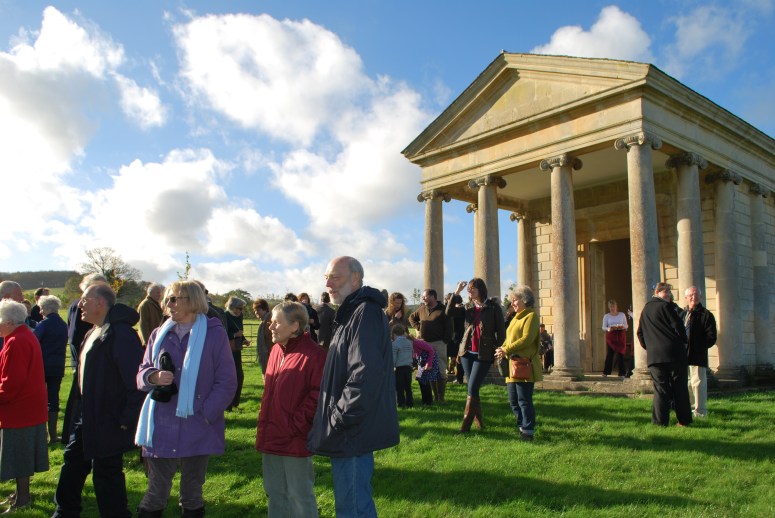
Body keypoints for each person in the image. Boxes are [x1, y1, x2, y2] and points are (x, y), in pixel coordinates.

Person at [307, 256, 399, 518]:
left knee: (353, 508)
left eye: (334, 277)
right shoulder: (351, 312)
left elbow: (365, 374)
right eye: (326, 278)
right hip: (350, 428)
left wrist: (339, 416)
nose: (328, 283)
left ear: (356, 278)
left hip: (352, 430)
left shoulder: (365, 313)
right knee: (351, 504)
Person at [135, 281, 237, 517]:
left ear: (192, 301)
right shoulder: (158, 334)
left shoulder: (214, 334)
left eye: (173, 299)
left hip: (198, 424)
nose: (167, 304)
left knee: (192, 492)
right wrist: (153, 376)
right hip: (161, 422)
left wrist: (206, 414)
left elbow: (226, 381)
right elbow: (142, 371)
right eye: (166, 299)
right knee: (156, 490)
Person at [52, 282, 145, 518]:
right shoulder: (92, 332)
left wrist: (126, 419)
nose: (80, 305)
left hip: (110, 418)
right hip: (87, 415)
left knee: (107, 472)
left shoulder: (121, 334)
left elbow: (135, 382)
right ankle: (65, 511)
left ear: (100, 302)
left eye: (85, 299)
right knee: (72, 462)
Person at [256, 301, 326, 517]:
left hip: (294, 439)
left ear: (295, 326)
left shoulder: (315, 355)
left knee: (299, 495)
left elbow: (318, 396)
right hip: (271, 436)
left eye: (276, 322)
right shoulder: (276, 350)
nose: (270, 327)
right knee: (275, 493)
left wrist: (293, 426)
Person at [0, 300, 49, 512]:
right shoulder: (22, 335)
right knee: (22, 455)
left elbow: (13, 382)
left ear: (9, 321)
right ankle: (19, 494)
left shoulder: (16, 341)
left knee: (20, 456)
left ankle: (23, 499)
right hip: (28, 407)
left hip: (20, 409)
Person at [447, 278, 506, 433]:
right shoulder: (468, 307)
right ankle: (480, 425)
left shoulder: (493, 308)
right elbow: (449, 312)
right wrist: (456, 292)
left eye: (473, 288)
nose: (470, 291)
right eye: (469, 289)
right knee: (473, 389)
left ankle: (465, 427)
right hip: (466, 352)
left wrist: (497, 352)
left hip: (484, 353)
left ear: (481, 289)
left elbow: (501, 332)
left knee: (472, 387)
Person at [637, 282, 692, 427]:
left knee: (660, 389)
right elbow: (678, 326)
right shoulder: (666, 307)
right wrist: (684, 341)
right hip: (674, 353)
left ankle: (660, 422)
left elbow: (640, 333)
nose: (667, 293)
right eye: (664, 291)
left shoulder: (646, 309)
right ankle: (684, 420)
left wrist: (650, 347)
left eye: (669, 291)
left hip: (655, 356)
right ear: (656, 292)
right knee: (679, 387)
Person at [61, 272, 107, 445]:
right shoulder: (82, 306)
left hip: (81, 360)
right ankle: (76, 436)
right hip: (85, 360)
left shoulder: (77, 305)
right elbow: (75, 337)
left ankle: (74, 436)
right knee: (80, 403)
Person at [496, 286, 542, 441]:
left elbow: (526, 339)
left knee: (524, 400)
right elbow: (510, 338)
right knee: (513, 400)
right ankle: (522, 427)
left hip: (523, 365)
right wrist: (502, 348)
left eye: (515, 300)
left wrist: (506, 349)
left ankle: (528, 431)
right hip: (512, 365)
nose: (512, 303)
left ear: (524, 300)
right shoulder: (516, 317)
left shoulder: (531, 317)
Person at [32, 294, 68, 444]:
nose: (40, 312)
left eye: (41, 308)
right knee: (53, 400)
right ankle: (53, 435)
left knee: (39, 399)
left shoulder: (43, 325)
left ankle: (41, 435)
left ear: (47, 308)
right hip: (58, 365)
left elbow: (33, 341)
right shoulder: (63, 325)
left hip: (42, 366)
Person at [408, 288, 451, 403]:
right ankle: (435, 396)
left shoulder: (443, 310)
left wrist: (445, 341)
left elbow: (449, 326)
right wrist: (418, 327)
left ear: (433, 297)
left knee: (441, 370)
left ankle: (441, 398)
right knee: (429, 369)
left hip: (439, 343)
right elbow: (411, 317)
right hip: (425, 344)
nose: (423, 298)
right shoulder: (422, 309)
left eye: (425, 296)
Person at [681, 286, 717, 418]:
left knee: (698, 383)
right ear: (686, 297)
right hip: (683, 355)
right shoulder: (682, 314)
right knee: (688, 383)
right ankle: (689, 409)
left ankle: (700, 411)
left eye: (695, 294)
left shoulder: (706, 315)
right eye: (690, 295)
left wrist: (699, 347)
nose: (693, 297)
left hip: (697, 355)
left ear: (700, 297)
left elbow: (711, 337)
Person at [224, 296, 248, 411]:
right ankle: (227, 405)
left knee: (239, 376)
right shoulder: (224, 316)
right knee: (229, 377)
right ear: (232, 307)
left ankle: (235, 403)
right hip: (227, 350)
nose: (241, 311)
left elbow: (240, 331)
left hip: (237, 349)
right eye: (239, 308)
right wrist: (234, 335)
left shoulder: (240, 316)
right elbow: (221, 334)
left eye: (242, 309)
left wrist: (244, 340)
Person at [409, 333, 439, 406]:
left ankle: (428, 401)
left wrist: (429, 364)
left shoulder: (417, 342)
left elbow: (431, 350)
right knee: (420, 379)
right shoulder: (411, 345)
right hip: (422, 362)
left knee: (424, 380)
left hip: (428, 361)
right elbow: (415, 355)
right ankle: (424, 400)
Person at [602, 299, 628, 378]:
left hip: (620, 336)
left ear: (616, 306)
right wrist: (608, 329)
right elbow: (603, 327)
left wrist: (622, 327)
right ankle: (606, 372)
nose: (612, 308)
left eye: (613, 306)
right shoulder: (606, 316)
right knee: (610, 355)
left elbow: (626, 325)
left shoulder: (622, 315)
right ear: (609, 307)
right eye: (610, 307)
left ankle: (622, 373)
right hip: (611, 337)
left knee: (621, 354)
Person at [390, 324, 414, 408]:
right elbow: (412, 354)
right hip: (408, 367)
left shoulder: (394, 344)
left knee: (399, 387)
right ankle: (410, 402)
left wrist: (391, 366)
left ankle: (401, 403)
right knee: (408, 386)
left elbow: (394, 357)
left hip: (399, 368)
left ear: (394, 334)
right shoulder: (409, 342)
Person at [447, 293, 465, 384]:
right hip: (455, 338)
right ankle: (458, 378)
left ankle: (459, 378)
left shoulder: (457, 310)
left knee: (458, 359)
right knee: (457, 359)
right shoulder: (462, 309)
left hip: (456, 338)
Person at [253, 298, 273, 376]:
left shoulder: (270, 320)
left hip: (270, 355)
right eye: (255, 310)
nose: (256, 312)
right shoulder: (263, 321)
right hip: (267, 355)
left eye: (258, 310)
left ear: (265, 309)